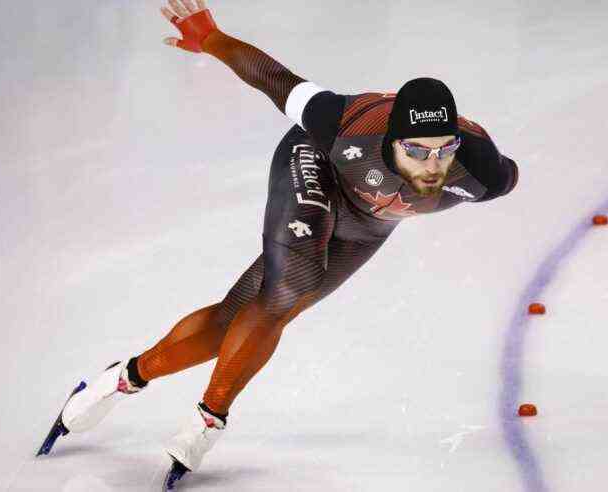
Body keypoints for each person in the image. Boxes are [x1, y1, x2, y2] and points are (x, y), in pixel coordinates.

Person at [41, 0, 518, 485]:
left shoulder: (482, 171)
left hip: (368, 223)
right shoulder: (344, 121)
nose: (433, 166)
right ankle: (209, 419)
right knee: (289, 287)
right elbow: (276, 80)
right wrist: (210, 37)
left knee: (244, 313)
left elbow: (503, 175)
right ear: (391, 141)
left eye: (444, 149)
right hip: (314, 166)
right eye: (416, 150)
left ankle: (123, 377)